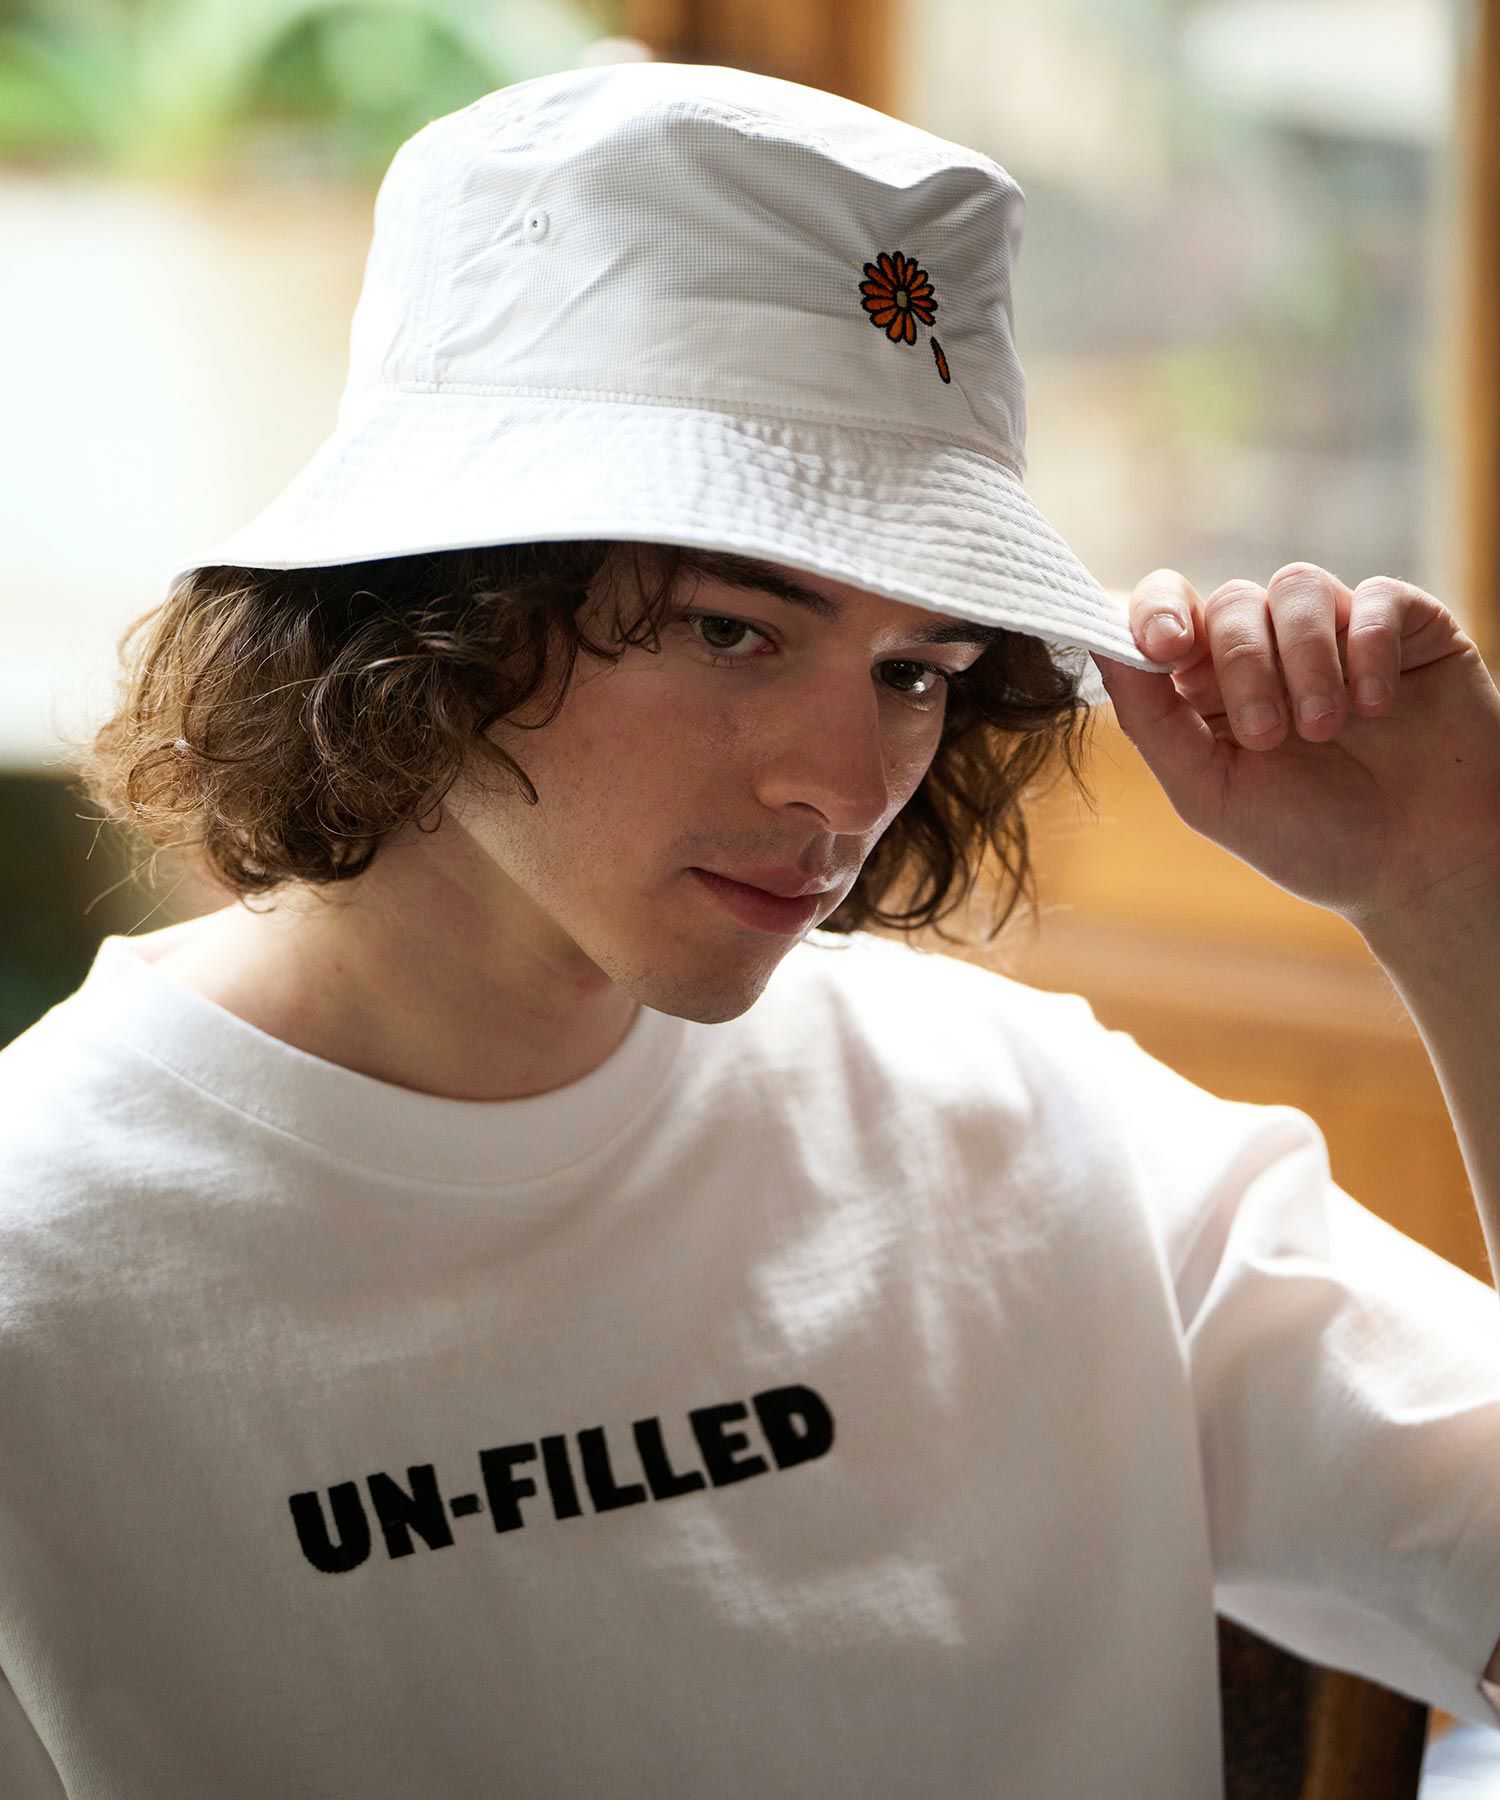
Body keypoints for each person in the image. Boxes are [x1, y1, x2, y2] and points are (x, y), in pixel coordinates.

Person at [4, 57, 1500, 1800]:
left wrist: (1451, 886)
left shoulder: (1039, 1133)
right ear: (428, 608)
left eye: (917, 668)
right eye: (732, 630)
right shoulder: (49, 1273)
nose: (845, 784)